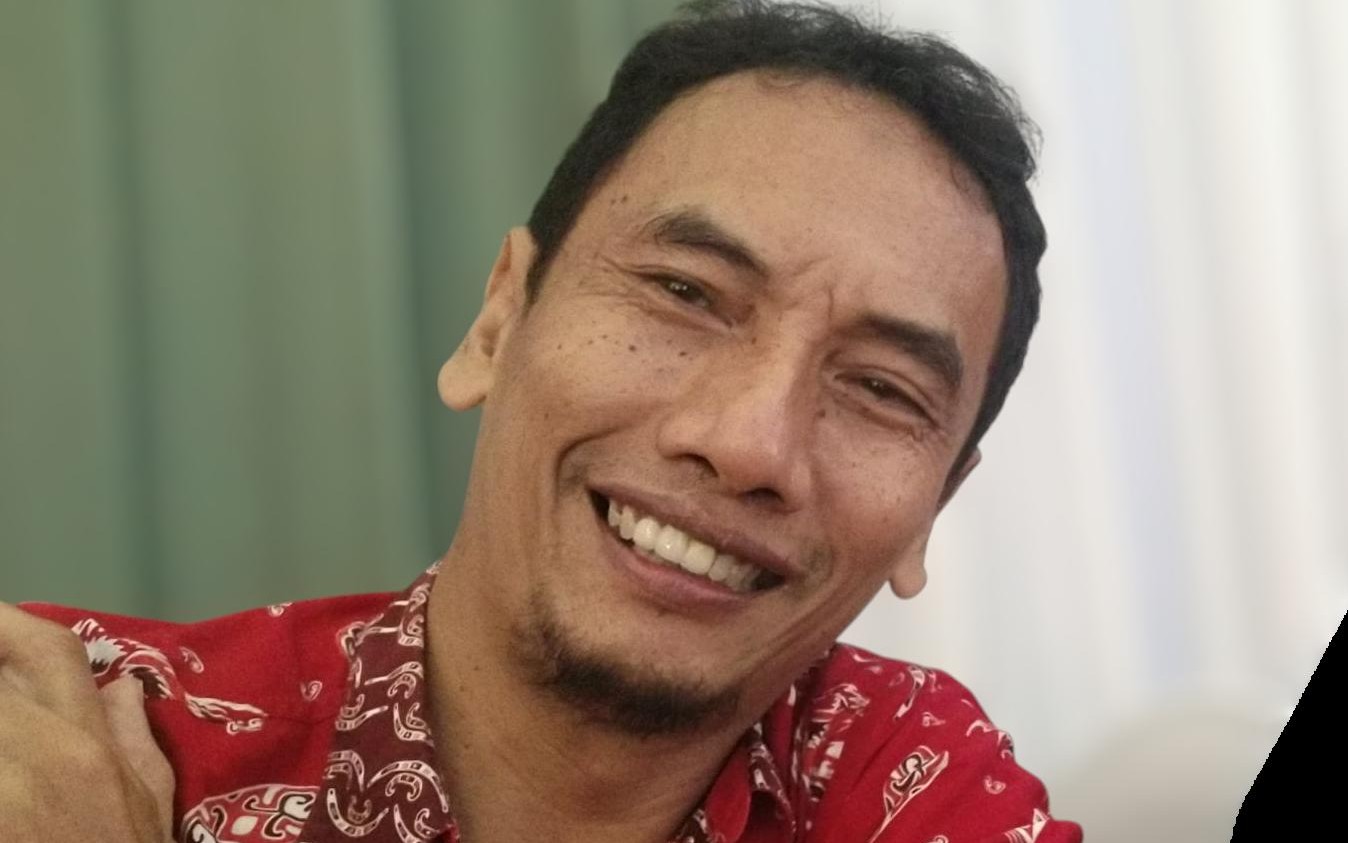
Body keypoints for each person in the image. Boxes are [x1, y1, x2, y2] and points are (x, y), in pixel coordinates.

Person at [1, 2, 1082, 841]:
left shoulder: (904, 782)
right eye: (685, 293)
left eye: (882, 390)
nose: (748, 442)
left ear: (935, 505)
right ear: (498, 321)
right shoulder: (60, 739)